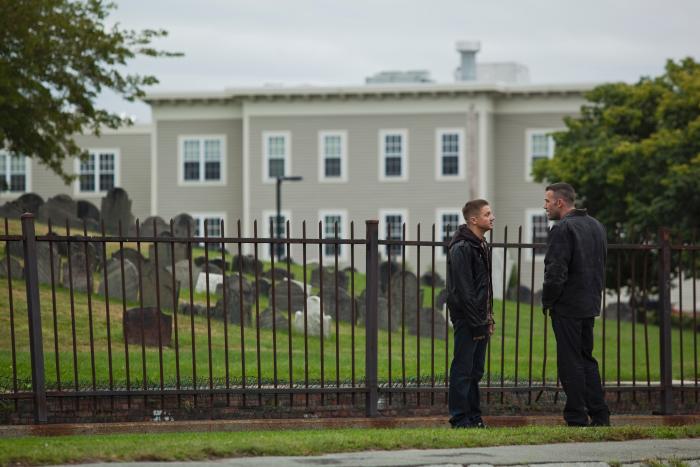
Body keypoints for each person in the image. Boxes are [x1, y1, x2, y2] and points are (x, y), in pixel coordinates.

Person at [542, 182, 610, 427]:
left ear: (560, 202)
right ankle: (600, 415)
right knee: (586, 359)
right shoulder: (596, 226)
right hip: (590, 303)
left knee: (570, 361)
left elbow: (556, 271)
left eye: (547, 201)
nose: (545, 206)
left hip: (568, 305)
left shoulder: (563, 228)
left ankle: (576, 416)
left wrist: (548, 299)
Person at [446, 199, 495, 428]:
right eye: (487, 214)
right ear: (473, 220)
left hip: (479, 319)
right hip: (468, 319)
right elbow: (464, 291)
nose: (492, 217)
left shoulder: (480, 245)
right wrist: (477, 324)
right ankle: (460, 418)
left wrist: (488, 317)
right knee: (463, 370)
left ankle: (474, 417)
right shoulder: (462, 247)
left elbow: (483, 288)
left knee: (476, 371)